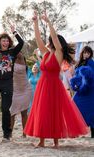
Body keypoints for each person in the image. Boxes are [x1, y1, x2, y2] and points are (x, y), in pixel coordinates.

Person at [24, 11, 88, 148]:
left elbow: (55, 39)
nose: (49, 41)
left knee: (54, 111)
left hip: (53, 86)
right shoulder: (46, 53)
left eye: (51, 39)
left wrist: (49, 23)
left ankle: (56, 142)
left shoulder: (59, 53)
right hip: (42, 85)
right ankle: (41, 141)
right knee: (42, 111)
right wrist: (35, 23)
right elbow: (38, 40)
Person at [70, 46, 94, 138]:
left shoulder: (91, 63)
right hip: (80, 90)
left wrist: (86, 77)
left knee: (91, 112)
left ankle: (93, 133)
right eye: (85, 52)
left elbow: (91, 76)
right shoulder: (79, 63)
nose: (86, 54)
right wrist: (74, 84)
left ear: (90, 54)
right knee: (74, 107)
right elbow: (76, 76)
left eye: (88, 53)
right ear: (82, 53)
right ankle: (75, 131)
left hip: (90, 91)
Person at [10, 52, 32, 137]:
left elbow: (18, 52)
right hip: (14, 89)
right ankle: (10, 133)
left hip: (25, 89)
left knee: (24, 112)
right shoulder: (9, 60)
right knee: (12, 112)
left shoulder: (21, 58)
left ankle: (24, 133)